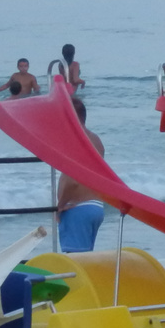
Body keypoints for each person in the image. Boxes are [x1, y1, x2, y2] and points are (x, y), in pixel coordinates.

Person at [57, 97, 106, 252]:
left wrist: (60, 206)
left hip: (78, 208)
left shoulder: (74, 140)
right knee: (85, 259)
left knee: (75, 262)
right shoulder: (96, 139)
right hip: (96, 205)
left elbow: (73, 181)